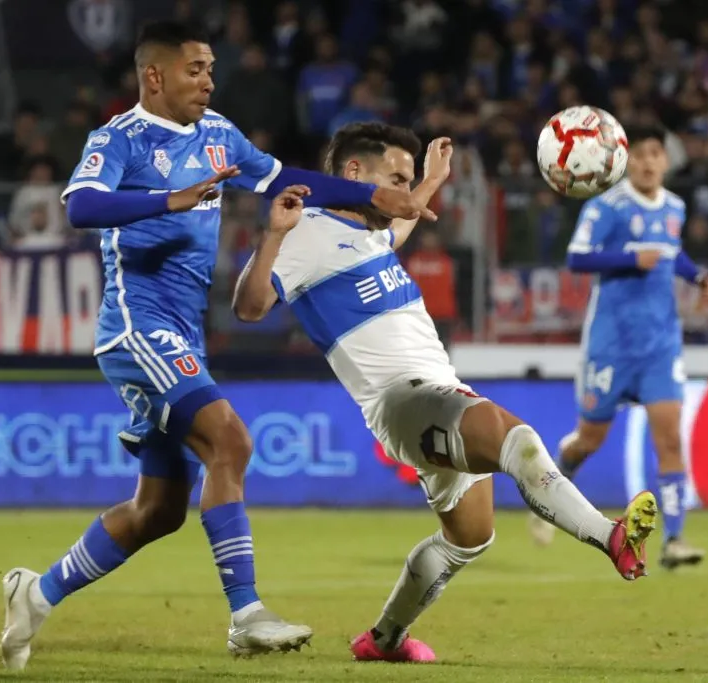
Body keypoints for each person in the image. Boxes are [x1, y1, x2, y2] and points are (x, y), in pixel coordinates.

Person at [0, 21, 431, 671]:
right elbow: (83, 206)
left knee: (158, 510)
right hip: (137, 326)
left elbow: (284, 175)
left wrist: (372, 193)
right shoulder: (119, 138)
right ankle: (247, 615)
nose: (207, 80)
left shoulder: (219, 135)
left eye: (210, 69)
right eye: (195, 68)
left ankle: (36, 592)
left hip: (184, 335)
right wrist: (168, 199)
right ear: (154, 75)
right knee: (230, 439)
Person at [233, 122, 658, 663]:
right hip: (402, 400)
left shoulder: (368, 233)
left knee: (470, 536)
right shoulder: (304, 232)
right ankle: (609, 536)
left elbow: (400, 226)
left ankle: (383, 640)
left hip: (438, 392)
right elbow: (248, 308)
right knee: (515, 437)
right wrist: (272, 235)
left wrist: (431, 181)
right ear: (354, 174)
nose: (405, 191)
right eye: (397, 178)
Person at [526, 126, 708, 570]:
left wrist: (699, 277)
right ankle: (554, 482)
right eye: (642, 155)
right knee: (590, 439)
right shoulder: (606, 206)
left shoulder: (674, 206)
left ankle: (675, 541)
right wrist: (632, 258)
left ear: (666, 162)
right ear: (626, 160)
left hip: (660, 345)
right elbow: (576, 257)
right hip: (610, 345)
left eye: (657, 154)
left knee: (670, 437)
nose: (649, 162)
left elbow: (672, 252)